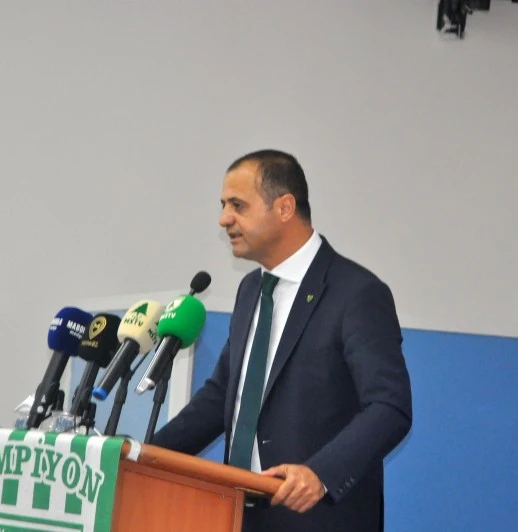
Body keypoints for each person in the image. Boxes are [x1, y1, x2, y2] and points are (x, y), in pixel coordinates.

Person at [152, 149, 412, 532]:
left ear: (285, 208)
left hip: (316, 518)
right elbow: (223, 397)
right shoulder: (251, 289)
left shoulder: (356, 293)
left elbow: (389, 407)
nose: (224, 219)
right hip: (239, 514)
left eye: (238, 205)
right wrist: (141, 456)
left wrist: (320, 474)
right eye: (223, 206)